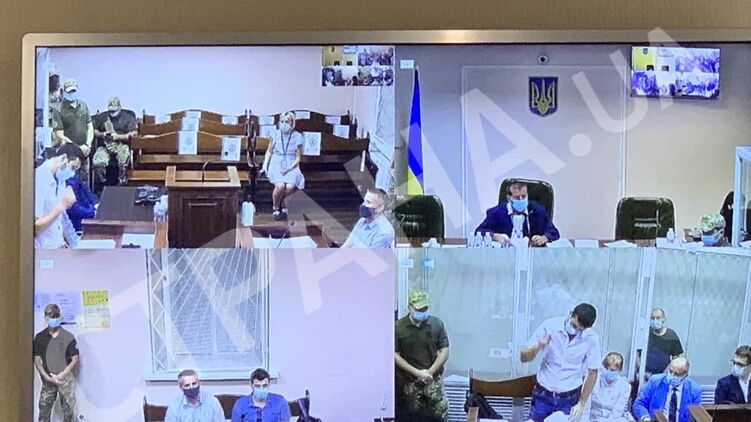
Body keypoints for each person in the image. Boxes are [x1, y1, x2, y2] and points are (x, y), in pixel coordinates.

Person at [520, 303, 600, 422]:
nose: (575, 331)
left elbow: (593, 372)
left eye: (580, 330)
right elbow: (523, 357)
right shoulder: (550, 326)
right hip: (543, 394)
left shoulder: (591, 338)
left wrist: (582, 403)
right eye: (573, 325)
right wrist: (538, 347)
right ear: (570, 314)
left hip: (570, 397)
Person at [395, 290, 450, 422]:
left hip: (433, 380)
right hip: (409, 381)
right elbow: (395, 355)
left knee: (440, 416)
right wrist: (417, 373)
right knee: (412, 417)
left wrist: (429, 372)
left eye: (425, 308)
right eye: (419, 309)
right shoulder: (399, 327)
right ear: (410, 308)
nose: (423, 312)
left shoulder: (437, 324)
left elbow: (444, 350)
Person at [33, 304, 80, 422]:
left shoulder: (68, 336)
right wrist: (46, 377)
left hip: (65, 379)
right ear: (46, 317)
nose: (53, 319)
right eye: (51, 316)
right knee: (44, 412)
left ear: (59, 317)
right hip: (48, 379)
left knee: (69, 413)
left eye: (55, 316)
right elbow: (37, 360)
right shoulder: (40, 337)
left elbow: (75, 359)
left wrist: (62, 374)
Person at [475, 181, 560, 246]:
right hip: (505, 256)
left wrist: (545, 238)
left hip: (531, 255)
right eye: (517, 197)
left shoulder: (538, 211)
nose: (521, 200)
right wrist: (495, 236)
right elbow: (479, 231)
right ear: (509, 198)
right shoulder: (496, 213)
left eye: (524, 196)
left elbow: (554, 232)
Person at [260, 111, 305, 221]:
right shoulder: (275, 134)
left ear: (292, 123)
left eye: (287, 122)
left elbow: (298, 157)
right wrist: (265, 165)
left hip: (291, 164)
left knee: (290, 187)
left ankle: (284, 205)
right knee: (280, 186)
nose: (284, 124)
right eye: (282, 121)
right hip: (276, 162)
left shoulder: (298, 137)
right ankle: (276, 208)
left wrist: (290, 168)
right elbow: (269, 151)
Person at [34, 148, 80, 248]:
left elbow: (63, 219)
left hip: (58, 246)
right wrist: (61, 206)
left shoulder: (60, 180)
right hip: (42, 249)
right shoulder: (39, 179)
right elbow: (35, 227)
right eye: (73, 167)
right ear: (64, 158)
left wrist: (76, 244)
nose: (72, 173)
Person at [51, 79, 94, 187]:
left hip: (84, 151)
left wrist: (88, 144)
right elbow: (59, 135)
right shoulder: (58, 110)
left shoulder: (83, 105)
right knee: (69, 182)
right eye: (69, 92)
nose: (72, 94)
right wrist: (78, 148)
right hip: (69, 154)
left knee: (84, 182)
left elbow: (89, 126)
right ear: (64, 92)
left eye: (74, 91)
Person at [632, 357, 702, 422]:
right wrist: (646, 418)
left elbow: (696, 414)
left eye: (677, 374)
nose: (672, 376)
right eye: (670, 371)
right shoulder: (655, 381)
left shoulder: (694, 390)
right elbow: (639, 403)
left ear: (685, 375)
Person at [92, 96, 137, 193]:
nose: (112, 113)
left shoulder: (127, 117)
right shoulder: (102, 117)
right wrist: (102, 134)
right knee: (98, 161)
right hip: (105, 146)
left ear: (120, 107)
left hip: (121, 144)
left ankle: (122, 182)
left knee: (124, 159)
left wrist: (118, 137)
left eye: (115, 110)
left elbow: (134, 134)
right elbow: (94, 131)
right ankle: (103, 183)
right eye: (111, 110)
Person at [57, 143, 97, 232]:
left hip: (87, 215)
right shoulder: (64, 181)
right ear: (64, 160)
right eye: (73, 167)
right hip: (79, 223)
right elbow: (73, 208)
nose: (74, 171)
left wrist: (95, 206)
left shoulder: (74, 176)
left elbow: (87, 192)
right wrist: (92, 212)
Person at [582, 352, 632, 422]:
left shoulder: (625, 387)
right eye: (606, 368)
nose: (608, 371)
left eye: (612, 370)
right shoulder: (591, 379)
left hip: (613, 420)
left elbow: (617, 412)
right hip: (592, 418)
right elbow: (585, 406)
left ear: (619, 371)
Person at [645, 308, 684, 379]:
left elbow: (676, 358)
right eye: (653, 318)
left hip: (664, 376)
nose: (655, 320)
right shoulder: (645, 333)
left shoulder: (671, 335)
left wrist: (664, 374)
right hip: (644, 375)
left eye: (658, 318)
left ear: (664, 319)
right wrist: (643, 372)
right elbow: (637, 354)